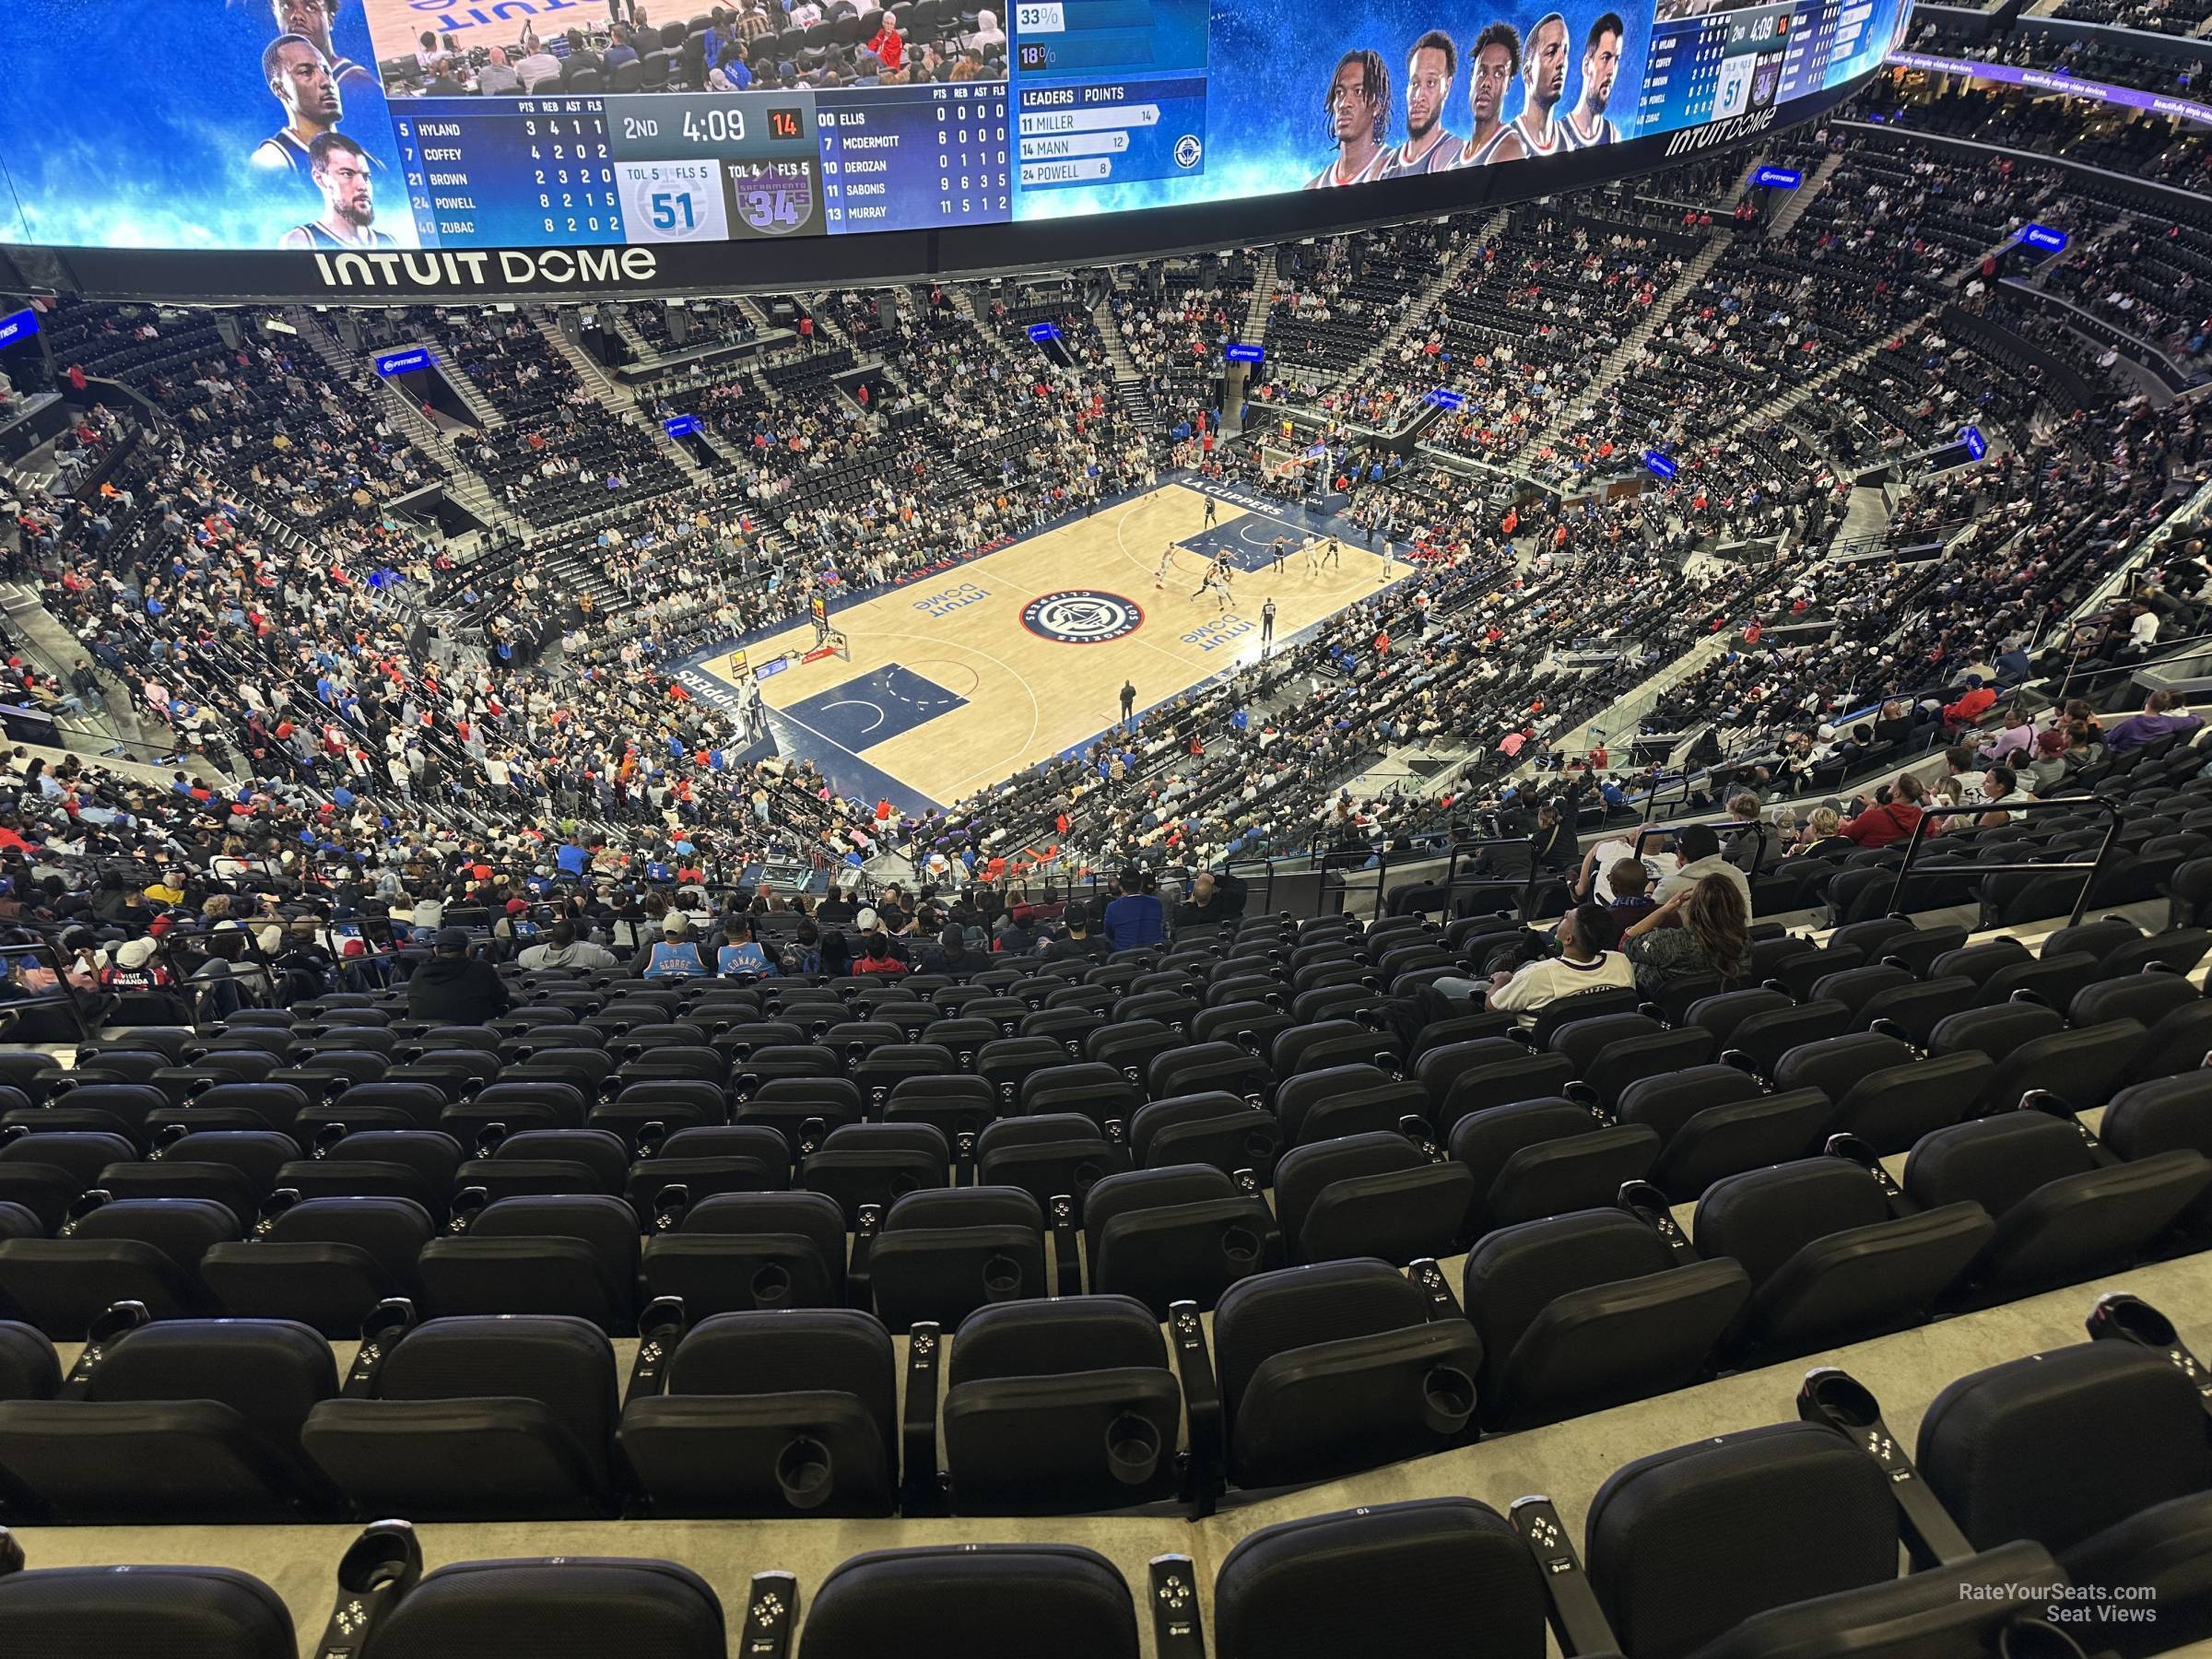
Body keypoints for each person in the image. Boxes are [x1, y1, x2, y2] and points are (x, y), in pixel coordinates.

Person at [1475, 903, 1634, 1019]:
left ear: (1568, 939)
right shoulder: (1621, 962)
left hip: (1535, 1044)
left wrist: (1501, 980)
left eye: (1567, 918)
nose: (1564, 912)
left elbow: (1492, 1006)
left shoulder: (1538, 975)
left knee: (1456, 984)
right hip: (1595, 1036)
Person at [1621, 874, 1749, 999]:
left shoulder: (1669, 942)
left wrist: (1663, 911)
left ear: (1694, 908)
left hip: (1662, 1009)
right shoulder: (1744, 942)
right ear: (1738, 906)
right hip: (1718, 1007)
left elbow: (1625, 943)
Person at [281, 132, 393, 249]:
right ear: (320, 178)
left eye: (366, 177)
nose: (363, 186)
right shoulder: (301, 241)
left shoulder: (389, 242)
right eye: (347, 174)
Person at [253, 35, 347, 173]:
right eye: (306, 72)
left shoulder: (366, 160)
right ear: (280, 89)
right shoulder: (272, 161)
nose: (327, 81)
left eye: (327, 71)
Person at [1378, 30, 1459, 177]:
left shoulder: (1456, 156)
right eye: (1414, 83)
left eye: (1431, 82)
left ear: (1447, 87)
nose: (1418, 96)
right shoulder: (1384, 167)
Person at [1308, 49, 1390, 187]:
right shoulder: (1314, 188)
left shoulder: (1397, 170)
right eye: (1339, 93)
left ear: (1376, 106)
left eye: (1358, 92)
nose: (1344, 103)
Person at [1448, 22, 1525, 167]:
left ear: (1507, 85)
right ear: (1472, 78)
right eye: (1482, 72)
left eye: (1498, 74)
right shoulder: (1455, 157)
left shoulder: (1510, 150)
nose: (1486, 83)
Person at [406, 927, 512, 1023]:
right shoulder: (481, 969)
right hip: (476, 1039)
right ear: (467, 950)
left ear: (436, 950)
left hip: (425, 1040)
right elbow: (502, 998)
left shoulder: (419, 971)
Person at [272, 0, 377, 93]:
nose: (297, 15)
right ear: (275, 14)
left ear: (330, 20)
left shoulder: (357, 84)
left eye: (311, 7)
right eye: (286, 6)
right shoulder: (283, 85)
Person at [1509, 11, 1570, 157]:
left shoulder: (1568, 143)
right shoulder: (1507, 146)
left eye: (1565, 52)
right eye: (1552, 52)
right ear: (1528, 73)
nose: (1562, 62)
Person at [1652, 822, 1751, 908]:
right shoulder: (1737, 875)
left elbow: (1649, 918)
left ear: (1680, 856)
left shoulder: (1668, 886)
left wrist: (1648, 894)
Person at [1560, 11, 1622, 147]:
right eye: (1606, 58)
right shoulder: (1560, 134)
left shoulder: (1613, 136)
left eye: (1616, 59)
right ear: (1587, 65)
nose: (1611, 70)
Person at [2106, 688, 2205, 755]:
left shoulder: (2130, 724)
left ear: (2147, 702)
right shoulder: (2170, 722)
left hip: (2117, 755)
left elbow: (2106, 740)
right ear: (2165, 707)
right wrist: (2192, 715)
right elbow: (2196, 720)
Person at [1841, 771, 1927, 848]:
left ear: (1897, 794)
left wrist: (1842, 825)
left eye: (1892, 786)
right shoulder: (1924, 819)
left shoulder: (1872, 816)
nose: (1889, 787)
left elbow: (1844, 838)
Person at [1102, 868, 1165, 950]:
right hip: (1155, 955)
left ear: (1121, 887)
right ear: (1141, 885)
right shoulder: (1156, 902)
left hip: (1124, 957)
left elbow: (1109, 934)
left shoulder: (1112, 907)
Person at [516, 919, 616, 970]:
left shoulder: (528, 955)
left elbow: (521, 960)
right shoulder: (592, 952)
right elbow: (612, 962)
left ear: (552, 935)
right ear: (573, 937)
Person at [641, 913, 712, 977]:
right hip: (694, 991)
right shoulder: (701, 950)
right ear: (687, 932)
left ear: (663, 931)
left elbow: (631, 973)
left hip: (657, 991)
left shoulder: (648, 951)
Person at [1043, 900, 1110, 962]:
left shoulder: (1056, 948)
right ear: (1087, 920)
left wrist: (1048, 945)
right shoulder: (1103, 943)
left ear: (1066, 923)